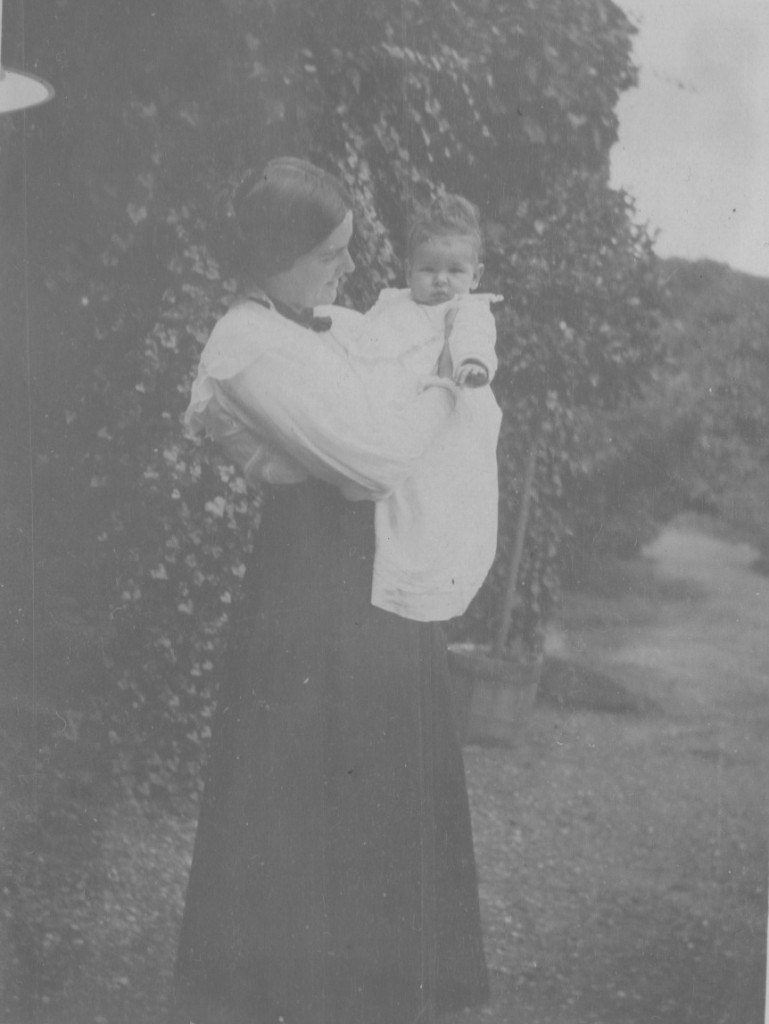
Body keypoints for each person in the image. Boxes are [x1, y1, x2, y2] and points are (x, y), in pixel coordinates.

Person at [173, 157, 489, 1024]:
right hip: (313, 576)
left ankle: (374, 981)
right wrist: (442, 395)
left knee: (379, 767)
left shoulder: (316, 323)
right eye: (330, 252)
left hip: (367, 565)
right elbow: (371, 464)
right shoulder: (247, 344)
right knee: (304, 776)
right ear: (275, 253)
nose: (348, 268)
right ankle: (292, 985)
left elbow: (391, 362)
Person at [349, 194, 502, 622]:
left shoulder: (468, 309)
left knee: (437, 499)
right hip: (401, 415)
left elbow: (475, 340)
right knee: (399, 500)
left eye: (455, 271)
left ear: (476, 275)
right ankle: (397, 579)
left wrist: (471, 365)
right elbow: (367, 342)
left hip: (451, 412)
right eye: (428, 269)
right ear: (408, 270)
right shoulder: (392, 306)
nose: (441, 281)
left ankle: (420, 584)